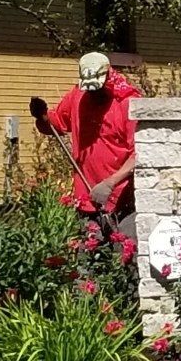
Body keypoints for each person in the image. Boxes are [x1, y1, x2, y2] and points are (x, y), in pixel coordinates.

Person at [30, 52, 141, 236]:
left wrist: (110, 182)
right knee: (88, 257)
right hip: (87, 197)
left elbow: (140, 153)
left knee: (123, 256)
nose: (93, 93)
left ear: (108, 77)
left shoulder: (127, 103)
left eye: (97, 89)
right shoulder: (77, 96)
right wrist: (41, 116)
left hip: (123, 199)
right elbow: (56, 125)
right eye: (89, 89)